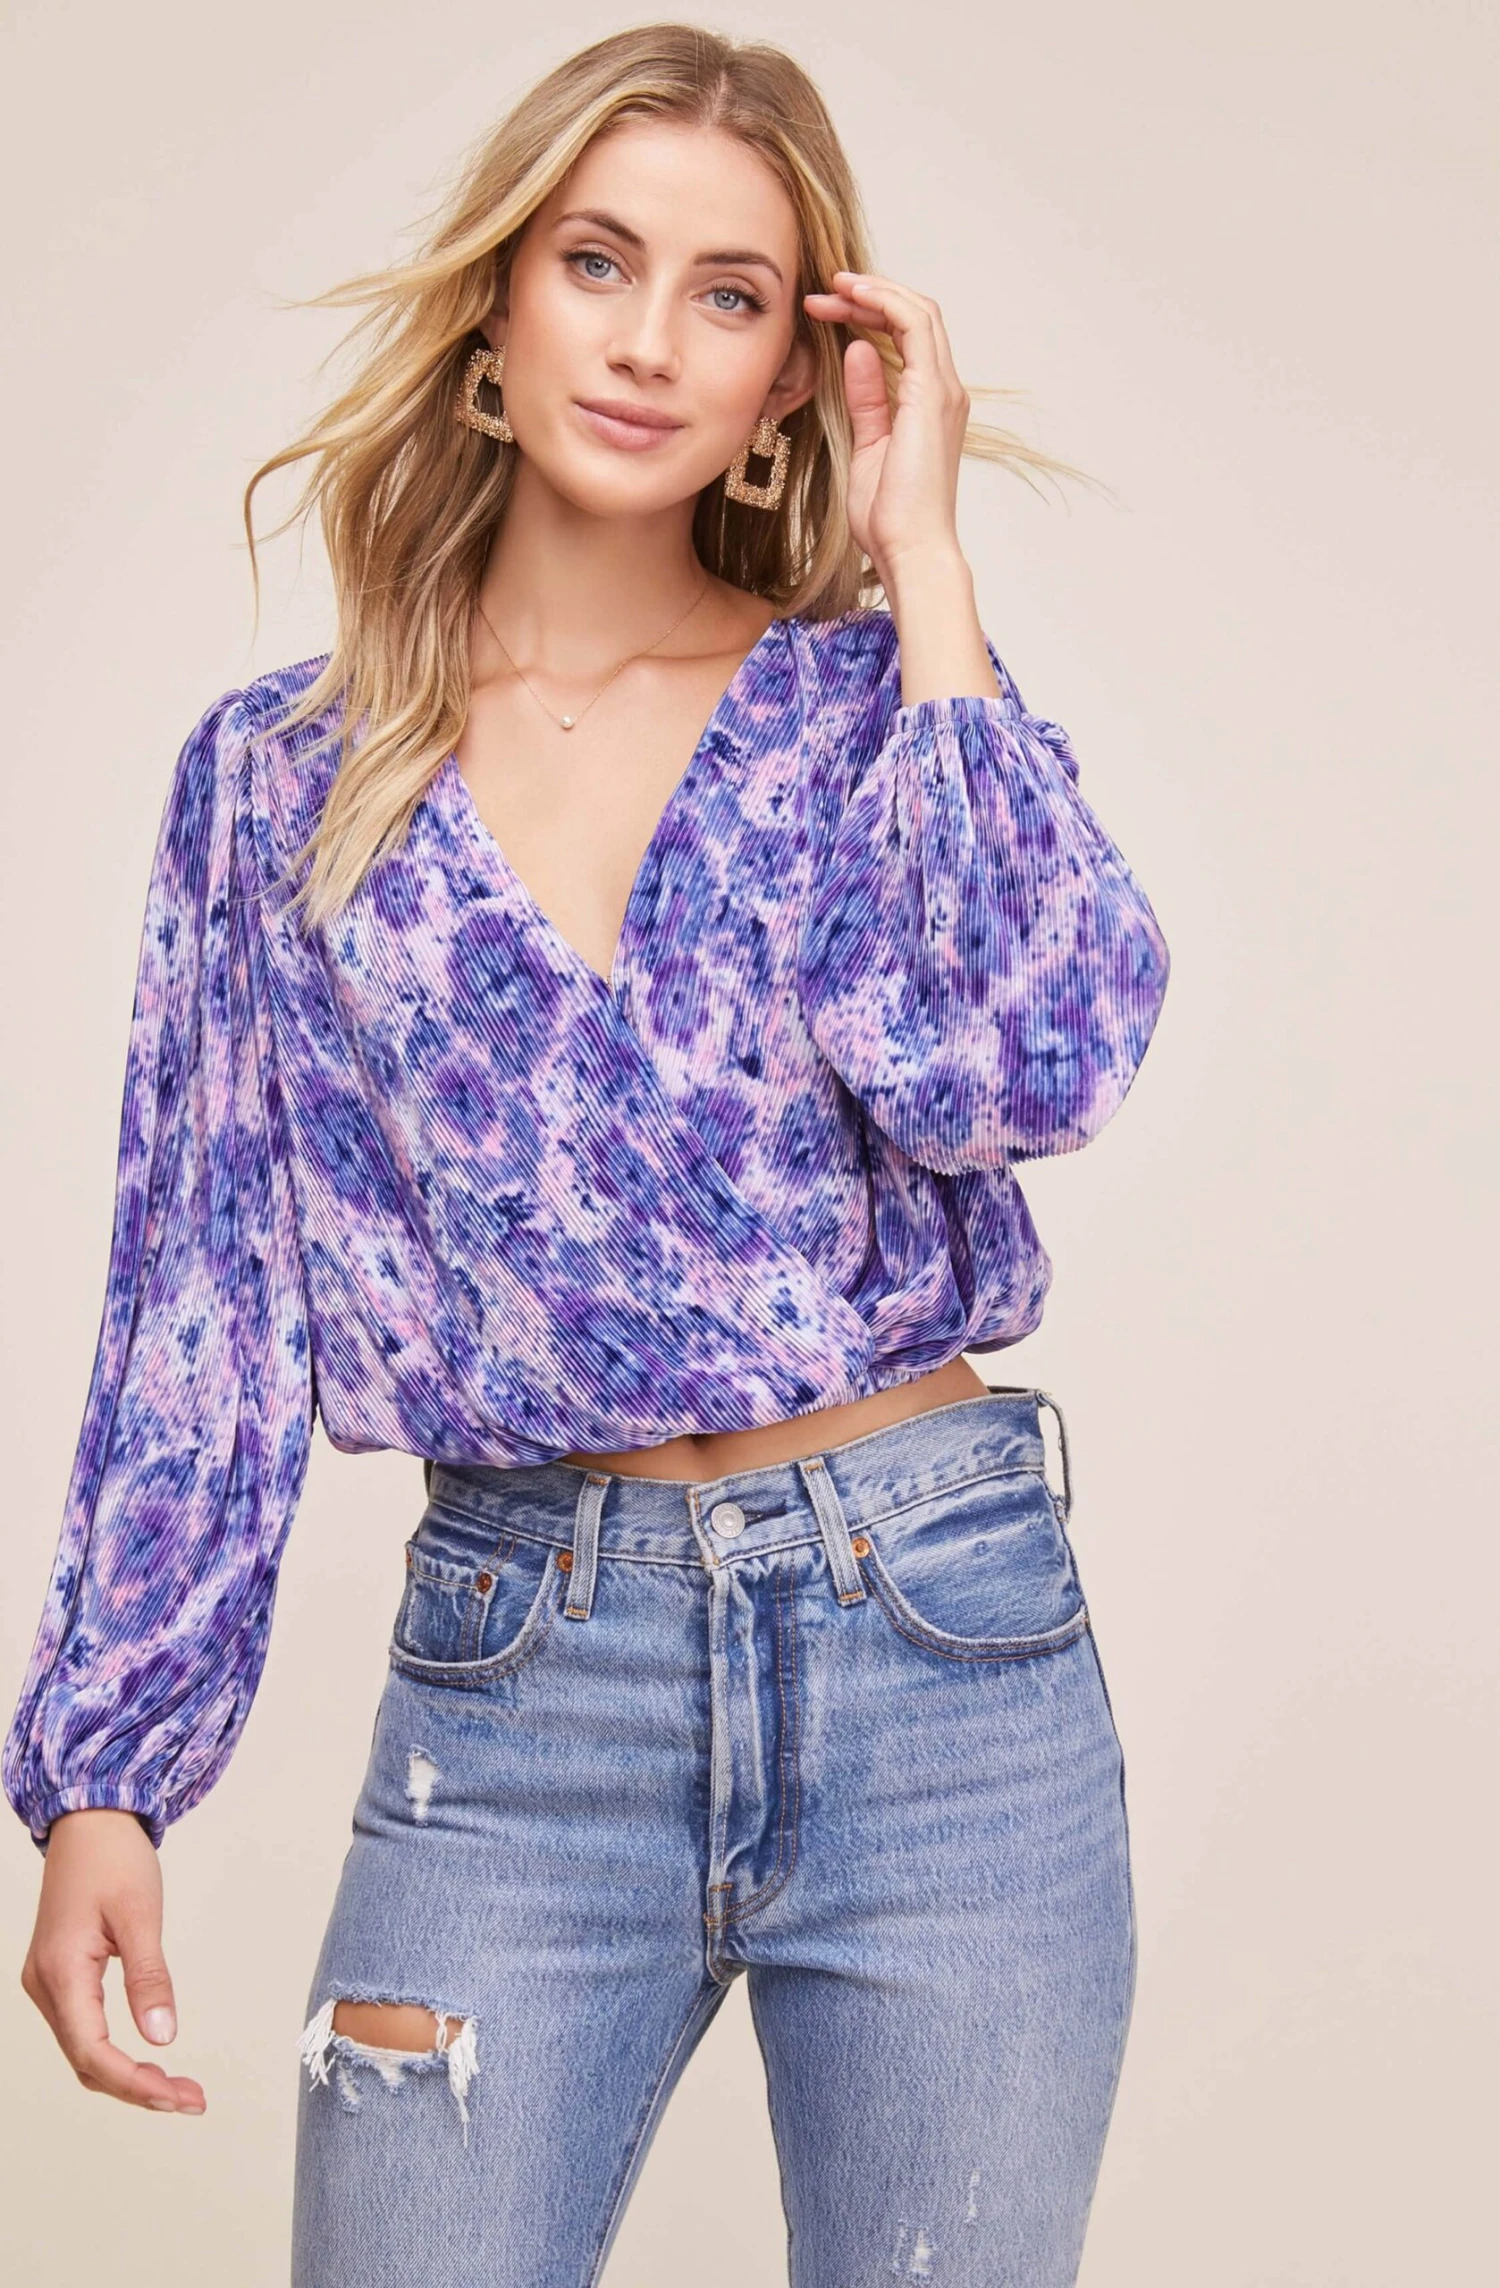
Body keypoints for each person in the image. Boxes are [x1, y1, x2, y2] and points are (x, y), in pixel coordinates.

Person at [7, 24, 1170, 2286]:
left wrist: (927, 557)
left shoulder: (871, 711)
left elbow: (1023, 1067)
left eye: (730, 297)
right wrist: (110, 1771)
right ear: (496, 306)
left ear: (793, 374)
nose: (649, 343)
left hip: (944, 1651)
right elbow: (204, 1300)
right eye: (599, 263)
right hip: (526, 1683)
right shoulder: (281, 781)